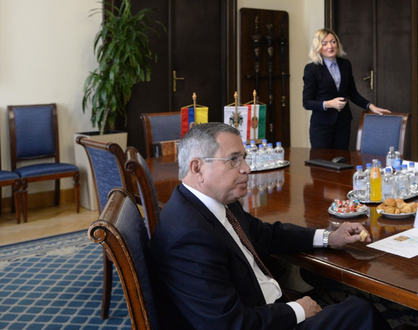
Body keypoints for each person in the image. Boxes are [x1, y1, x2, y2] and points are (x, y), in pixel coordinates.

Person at [148, 122, 391, 330]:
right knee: (360, 313)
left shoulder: (218, 202)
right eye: (233, 160)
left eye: (244, 158)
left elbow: (266, 234)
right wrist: (297, 310)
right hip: (259, 319)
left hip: (265, 306)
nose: (246, 168)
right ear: (197, 168)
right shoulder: (189, 235)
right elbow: (229, 325)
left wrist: (330, 237)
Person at [302, 29, 389, 150]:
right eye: (324, 43)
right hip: (321, 126)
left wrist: (370, 106)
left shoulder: (345, 64)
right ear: (318, 47)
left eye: (333, 42)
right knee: (321, 160)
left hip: (343, 123)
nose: (330, 46)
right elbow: (307, 102)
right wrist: (329, 104)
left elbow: (352, 93)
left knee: (341, 159)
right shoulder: (311, 69)